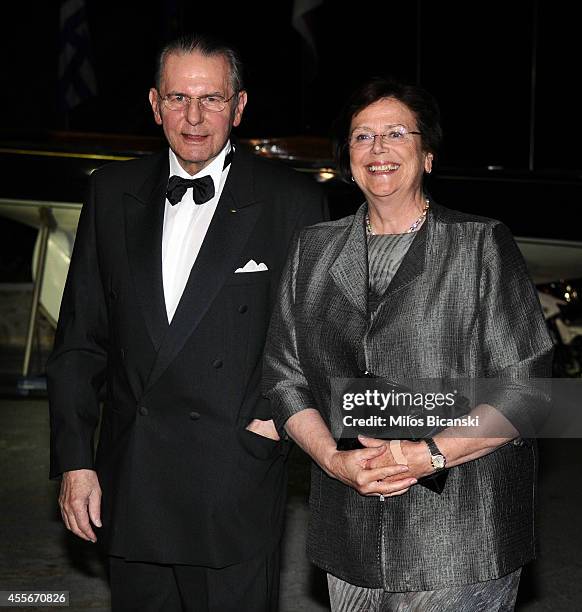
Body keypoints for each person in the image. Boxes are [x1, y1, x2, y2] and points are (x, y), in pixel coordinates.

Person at [47, 33, 326, 612]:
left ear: (240, 106)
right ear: (154, 104)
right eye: (177, 98)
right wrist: (76, 461)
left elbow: (315, 334)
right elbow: (80, 343)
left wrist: (274, 424)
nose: (194, 117)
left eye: (212, 99)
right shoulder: (110, 193)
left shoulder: (290, 200)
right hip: (133, 480)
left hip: (232, 482)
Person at [263, 76, 553, 611]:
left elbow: (531, 393)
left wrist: (429, 454)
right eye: (361, 136)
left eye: (396, 133)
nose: (377, 149)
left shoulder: (480, 244)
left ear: (427, 155)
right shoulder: (313, 251)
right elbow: (285, 378)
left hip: (460, 535)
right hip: (351, 524)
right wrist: (332, 461)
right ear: (347, 157)